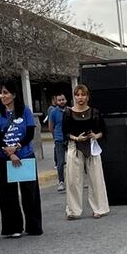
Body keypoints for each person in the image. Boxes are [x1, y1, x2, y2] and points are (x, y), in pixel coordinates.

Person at [0, 81, 43, 237]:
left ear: (13, 94)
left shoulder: (25, 110)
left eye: (6, 93)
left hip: (25, 155)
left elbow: (30, 133)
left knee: (30, 192)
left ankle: (33, 226)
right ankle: (13, 227)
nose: (3, 96)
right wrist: (9, 152)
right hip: (4, 157)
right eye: (1, 93)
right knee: (8, 194)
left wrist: (17, 148)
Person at [63, 83, 109, 220]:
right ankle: (73, 210)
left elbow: (103, 131)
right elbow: (65, 133)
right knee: (73, 180)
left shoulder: (94, 112)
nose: (80, 98)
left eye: (83, 95)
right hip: (74, 147)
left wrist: (96, 136)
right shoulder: (68, 113)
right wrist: (76, 138)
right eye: (77, 95)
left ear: (88, 97)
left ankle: (99, 208)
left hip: (92, 147)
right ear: (74, 97)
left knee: (96, 179)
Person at [46, 93, 67, 192]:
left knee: (76, 160)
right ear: (56, 101)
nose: (61, 101)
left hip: (71, 138)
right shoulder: (53, 112)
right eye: (59, 100)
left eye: (63, 99)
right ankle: (61, 181)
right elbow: (51, 126)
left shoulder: (70, 111)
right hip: (59, 139)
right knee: (60, 162)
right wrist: (55, 137)